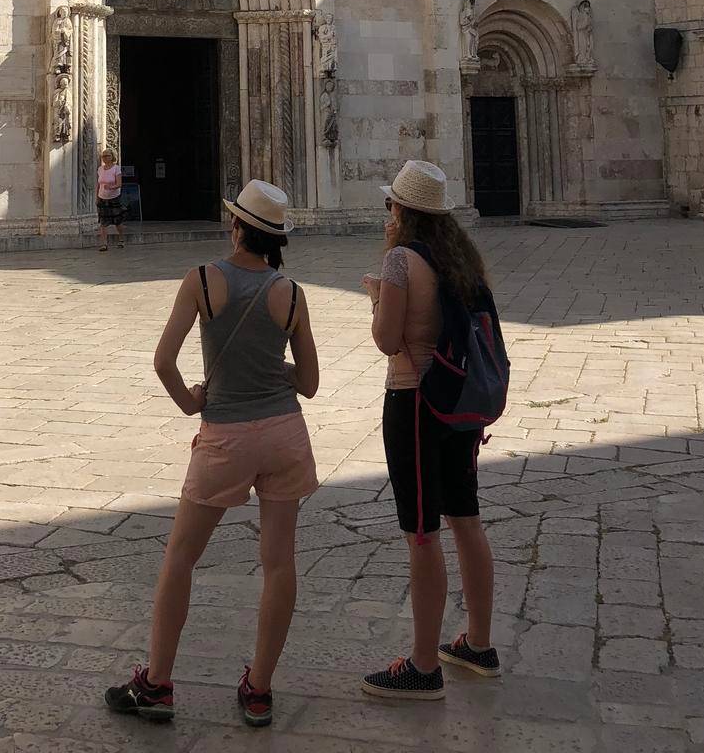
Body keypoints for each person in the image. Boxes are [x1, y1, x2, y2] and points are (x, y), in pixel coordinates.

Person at [105, 179, 320, 728]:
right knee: (278, 563)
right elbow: (312, 383)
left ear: (236, 227)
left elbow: (163, 361)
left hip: (225, 434)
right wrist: (276, 372)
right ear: (276, 240)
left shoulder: (201, 280)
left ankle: (156, 684)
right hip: (285, 435)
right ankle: (260, 690)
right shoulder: (292, 293)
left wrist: (188, 402)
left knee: (181, 556)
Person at [360, 159, 500, 701]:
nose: (387, 213)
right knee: (466, 518)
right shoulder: (461, 261)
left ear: (402, 210)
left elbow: (388, 339)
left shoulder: (400, 261)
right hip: (459, 405)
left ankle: (423, 665)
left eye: (390, 204)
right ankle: (479, 644)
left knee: (421, 532)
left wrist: (377, 295)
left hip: (414, 404)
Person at [96, 149, 124, 251]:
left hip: (114, 197)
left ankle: (121, 238)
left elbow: (119, 184)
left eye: (107, 156)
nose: (104, 158)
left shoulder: (116, 169)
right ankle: (104, 244)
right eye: (103, 156)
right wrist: (97, 197)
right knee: (103, 222)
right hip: (102, 198)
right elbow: (98, 184)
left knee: (117, 221)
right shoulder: (100, 169)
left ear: (112, 156)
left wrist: (111, 187)